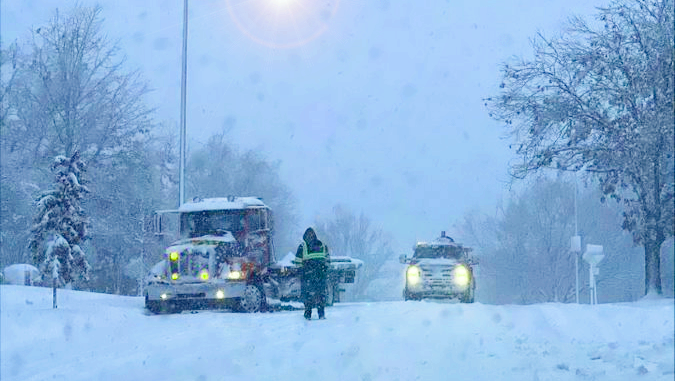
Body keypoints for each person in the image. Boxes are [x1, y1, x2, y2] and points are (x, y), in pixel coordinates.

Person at [293, 227, 330, 320]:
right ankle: (321, 314)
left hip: (308, 275)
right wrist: (324, 270)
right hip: (320, 275)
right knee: (321, 294)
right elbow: (328, 260)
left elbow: (297, 262)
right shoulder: (322, 245)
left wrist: (300, 272)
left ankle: (308, 314)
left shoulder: (303, 246)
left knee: (307, 295)